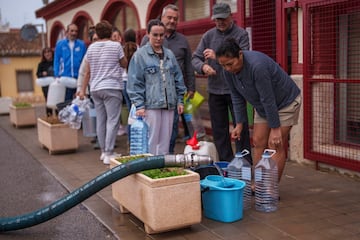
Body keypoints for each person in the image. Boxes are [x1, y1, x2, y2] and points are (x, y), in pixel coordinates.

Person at [215, 38, 301, 181]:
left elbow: (268, 99)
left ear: (240, 54)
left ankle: (269, 189)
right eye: (223, 65)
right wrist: (240, 124)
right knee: (258, 141)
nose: (228, 69)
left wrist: (275, 129)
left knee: (274, 144)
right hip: (263, 105)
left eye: (230, 64)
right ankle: (258, 182)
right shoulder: (227, 71)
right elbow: (236, 96)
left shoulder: (257, 66)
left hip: (286, 102)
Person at [192, 2, 252, 163]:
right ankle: (226, 165)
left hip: (237, 91)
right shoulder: (208, 36)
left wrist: (216, 59)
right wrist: (203, 67)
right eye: (217, 19)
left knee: (241, 128)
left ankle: (244, 164)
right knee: (219, 131)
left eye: (223, 19)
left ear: (230, 16)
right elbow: (195, 58)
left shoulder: (241, 35)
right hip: (215, 91)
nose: (220, 22)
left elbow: (243, 60)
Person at [140, 4, 196, 153]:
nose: (172, 21)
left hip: (175, 94)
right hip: (153, 96)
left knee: (171, 130)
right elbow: (140, 70)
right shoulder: (147, 39)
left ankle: (167, 158)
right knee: (153, 133)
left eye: (175, 19)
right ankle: (152, 161)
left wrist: (191, 87)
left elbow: (188, 66)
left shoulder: (183, 40)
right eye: (169, 17)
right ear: (162, 17)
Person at [127, 19, 187, 155]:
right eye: (155, 35)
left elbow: (178, 78)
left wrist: (180, 100)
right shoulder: (140, 56)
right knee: (151, 140)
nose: (159, 38)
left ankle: (161, 169)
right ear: (148, 34)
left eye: (161, 35)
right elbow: (134, 82)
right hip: (150, 106)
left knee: (165, 141)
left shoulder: (170, 55)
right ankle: (149, 169)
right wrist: (139, 105)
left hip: (169, 105)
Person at [79, 20, 127, 165]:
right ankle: (109, 152)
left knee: (101, 120)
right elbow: (124, 63)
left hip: (95, 88)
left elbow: (87, 72)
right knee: (113, 120)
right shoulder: (116, 46)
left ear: (97, 34)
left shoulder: (91, 48)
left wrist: (82, 89)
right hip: (112, 86)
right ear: (110, 32)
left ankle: (102, 151)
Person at [76, 26, 99, 149]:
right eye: (94, 39)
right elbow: (83, 72)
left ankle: (105, 139)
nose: (96, 41)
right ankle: (97, 136)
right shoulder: (89, 53)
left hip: (105, 88)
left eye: (98, 39)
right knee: (95, 114)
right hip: (93, 89)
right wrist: (80, 90)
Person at [54, 23, 87, 101]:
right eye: (72, 31)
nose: (74, 33)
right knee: (67, 101)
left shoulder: (81, 45)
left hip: (78, 78)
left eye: (76, 31)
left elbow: (85, 61)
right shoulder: (60, 44)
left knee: (79, 102)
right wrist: (56, 75)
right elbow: (57, 60)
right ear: (67, 32)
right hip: (65, 78)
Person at [36, 47, 54, 116]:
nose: (47, 54)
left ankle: (59, 118)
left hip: (56, 85)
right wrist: (42, 74)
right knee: (48, 101)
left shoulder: (56, 62)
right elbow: (38, 74)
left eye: (49, 52)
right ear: (43, 55)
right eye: (45, 52)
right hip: (46, 87)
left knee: (57, 101)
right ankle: (50, 117)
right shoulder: (41, 64)